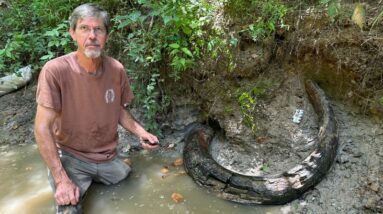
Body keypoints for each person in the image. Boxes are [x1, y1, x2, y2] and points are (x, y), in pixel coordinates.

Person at [34, 3, 159, 213]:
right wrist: (61, 178)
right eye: (84, 28)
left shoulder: (116, 69)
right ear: (73, 33)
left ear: (106, 36)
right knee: (69, 207)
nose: (92, 35)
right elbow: (42, 128)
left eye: (98, 29)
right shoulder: (55, 71)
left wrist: (141, 132)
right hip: (71, 156)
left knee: (128, 181)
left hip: (106, 156)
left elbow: (117, 109)